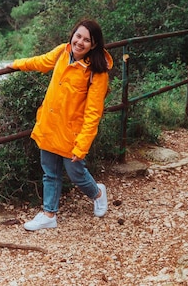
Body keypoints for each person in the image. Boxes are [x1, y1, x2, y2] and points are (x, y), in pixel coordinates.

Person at [7, 19, 113, 231]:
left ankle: (98, 193)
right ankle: (49, 214)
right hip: (49, 124)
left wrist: (82, 145)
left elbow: (93, 113)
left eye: (87, 40)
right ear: (72, 35)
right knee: (50, 172)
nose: (80, 42)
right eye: (78, 36)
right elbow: (40, 62)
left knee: (76, 174)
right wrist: (16, 64)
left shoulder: (96, 72)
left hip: (72, 133)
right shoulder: (61, 53)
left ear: (94, 45)